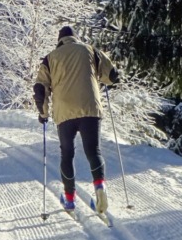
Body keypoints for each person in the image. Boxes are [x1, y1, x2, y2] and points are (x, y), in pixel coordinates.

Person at [33, 26, 120, 213]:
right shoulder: (90, 50)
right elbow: (112, 75)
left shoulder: (50, 58)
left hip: (65, 112)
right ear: (76, 38)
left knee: (67, 153)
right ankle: (100, 186)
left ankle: (70, 199)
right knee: (93, 150)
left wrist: (43, 113)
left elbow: (41, 89)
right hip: (90, 107)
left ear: (59, 40)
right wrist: (106, 79)